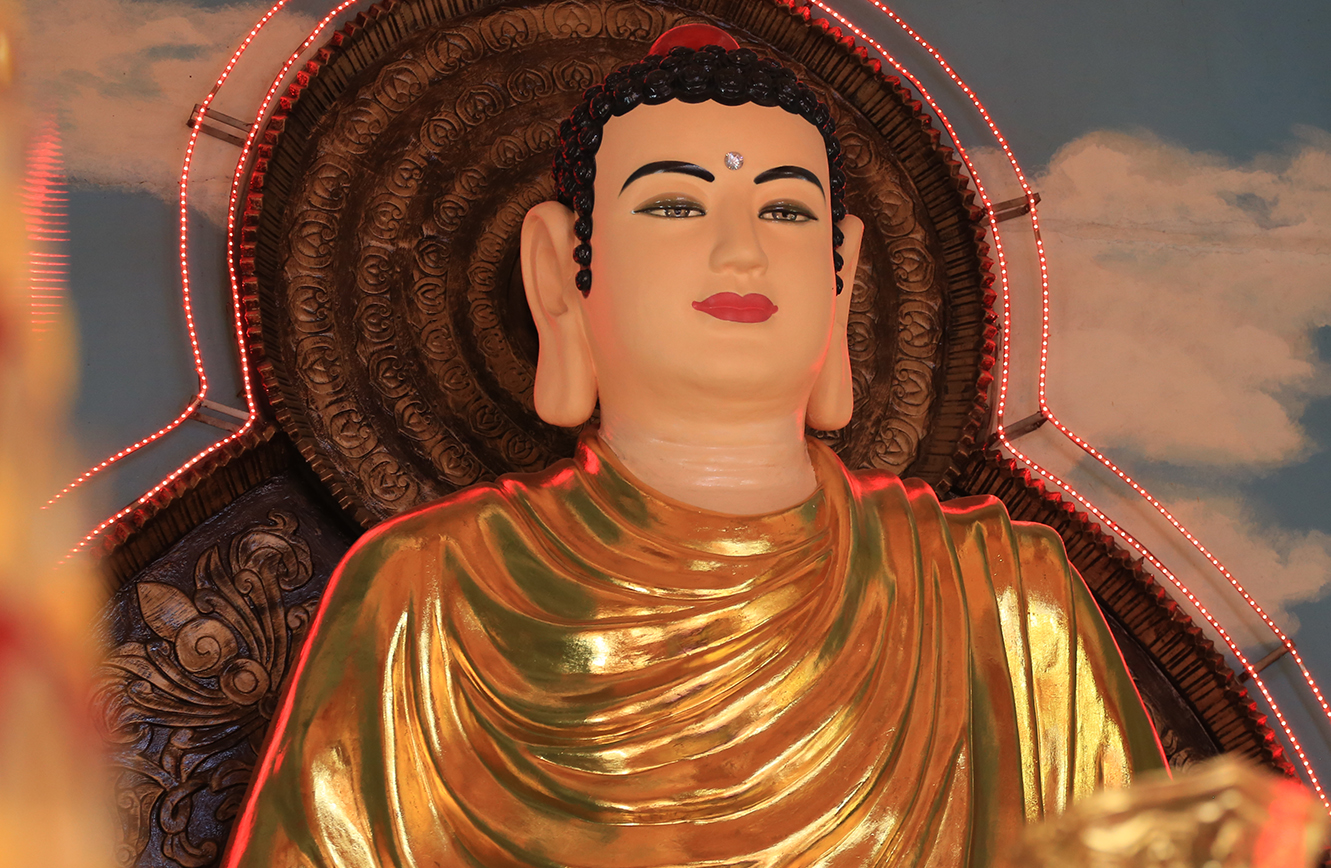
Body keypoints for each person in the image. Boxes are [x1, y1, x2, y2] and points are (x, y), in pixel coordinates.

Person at [223, 24, 1166, 868]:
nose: (742, 252)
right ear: (559, 274)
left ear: (839, 278)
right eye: (675, 205)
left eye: (786, 212)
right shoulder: (426, 594)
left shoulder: (1004, 601)